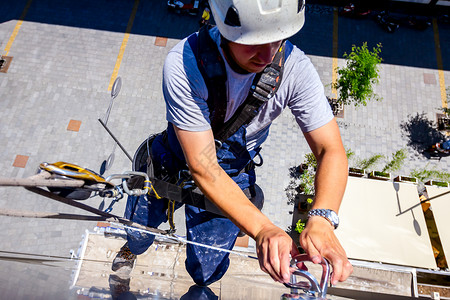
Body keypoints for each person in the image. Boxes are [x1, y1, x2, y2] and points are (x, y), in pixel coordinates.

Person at [113, 0, 353, 287]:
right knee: (138, 232)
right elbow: (203, 165)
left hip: (232, 170)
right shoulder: (186, 65)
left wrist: (322, 217)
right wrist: (262, 228)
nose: (267, 54)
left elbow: (330, 150)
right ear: (225, 28)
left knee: (206, 270)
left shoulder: (294, 69)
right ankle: (132, 248)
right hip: (175, 160)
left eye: (277, 39)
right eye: (254, 41)